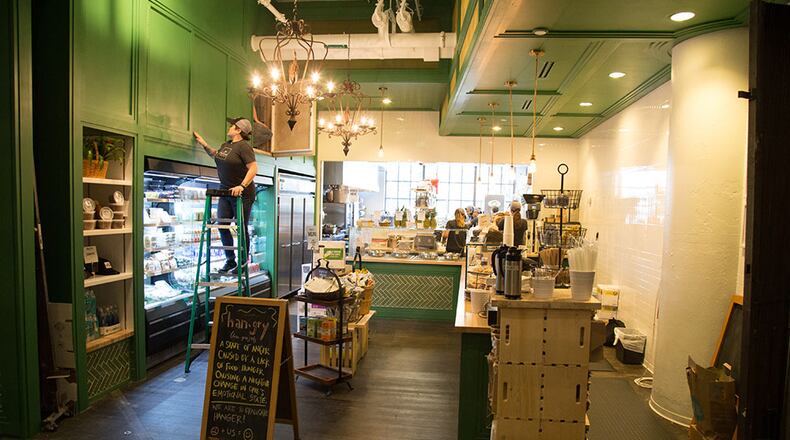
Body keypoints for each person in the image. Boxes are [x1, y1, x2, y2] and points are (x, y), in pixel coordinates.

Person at [193, 118, 258, 273]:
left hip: (242, 194)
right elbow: (216, 155)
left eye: (232, 126)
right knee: (222, 226)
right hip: (225, 191)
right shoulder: (226, 145)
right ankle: (230, 260)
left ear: (238, 130)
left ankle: (243, 263)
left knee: (241, 228)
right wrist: (204, 144)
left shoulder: (244, 147)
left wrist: (242, 186)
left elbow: (254, 168)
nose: (229, 127)